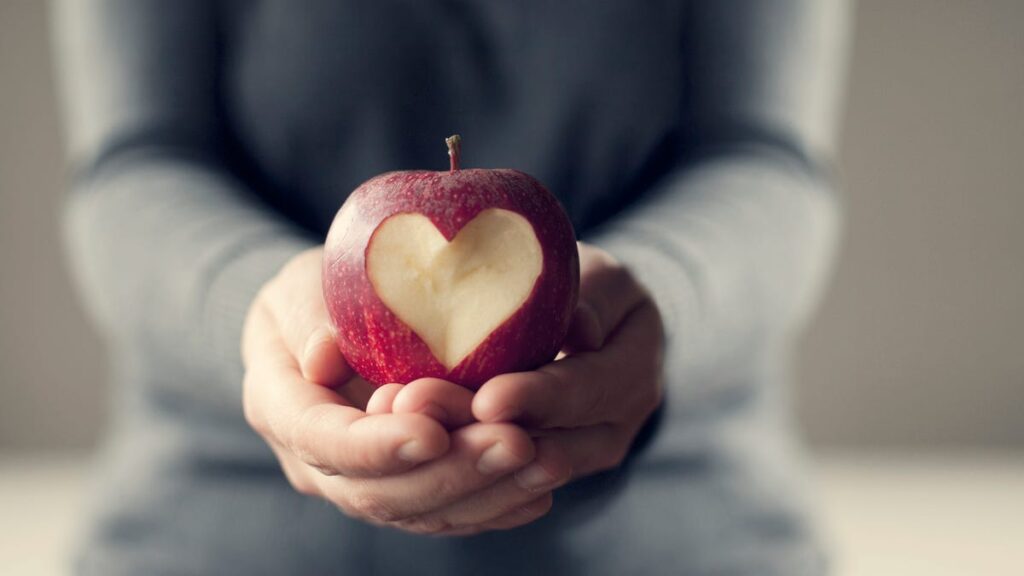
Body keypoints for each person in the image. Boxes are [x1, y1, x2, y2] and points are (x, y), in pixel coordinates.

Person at [53, 1, 849, 574]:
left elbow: (760, 159)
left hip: (678, 537)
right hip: (221, 539)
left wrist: (654, 308)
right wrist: (261, 316)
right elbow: (138, 164)